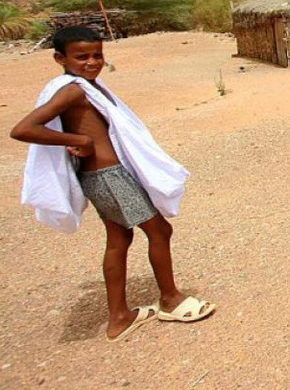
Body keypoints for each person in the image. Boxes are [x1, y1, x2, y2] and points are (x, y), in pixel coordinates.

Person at [9, 26, 215, 342]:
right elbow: (23, 129)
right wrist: (78, 139)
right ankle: (170, 299)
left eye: (97, 55)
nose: (92, 62)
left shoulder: (85, 87)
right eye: (82, 57)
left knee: (119, 240)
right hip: (109, 177)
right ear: (60, 58)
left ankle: (120, 316)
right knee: (160, 231)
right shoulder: (73, 90)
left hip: (101, 177)